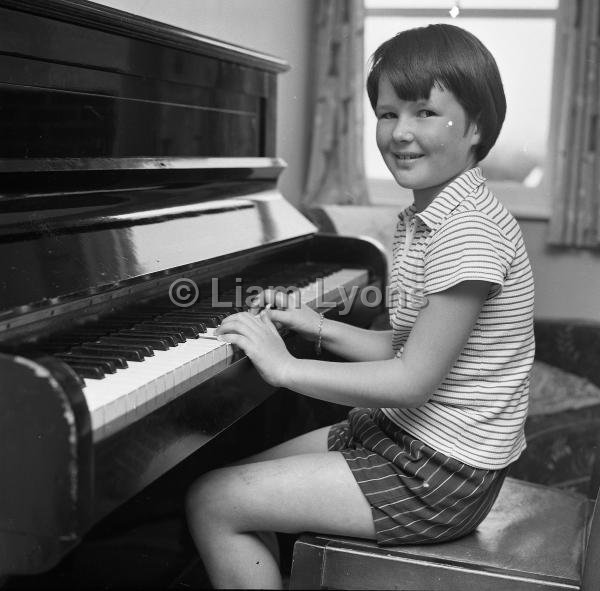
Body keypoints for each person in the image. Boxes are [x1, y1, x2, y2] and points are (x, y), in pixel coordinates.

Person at [185, 23, 535, 589]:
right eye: (389, 113)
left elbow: (409, 379)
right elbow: (406, 347)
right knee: (237, 476)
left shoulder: (467, 232)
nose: (401, 132)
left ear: (476, 127)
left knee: (212, 500)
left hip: (439, 475)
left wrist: (286, 366)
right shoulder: (434, 215)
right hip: (404, 439)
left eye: (426, 113)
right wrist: (314, 325)